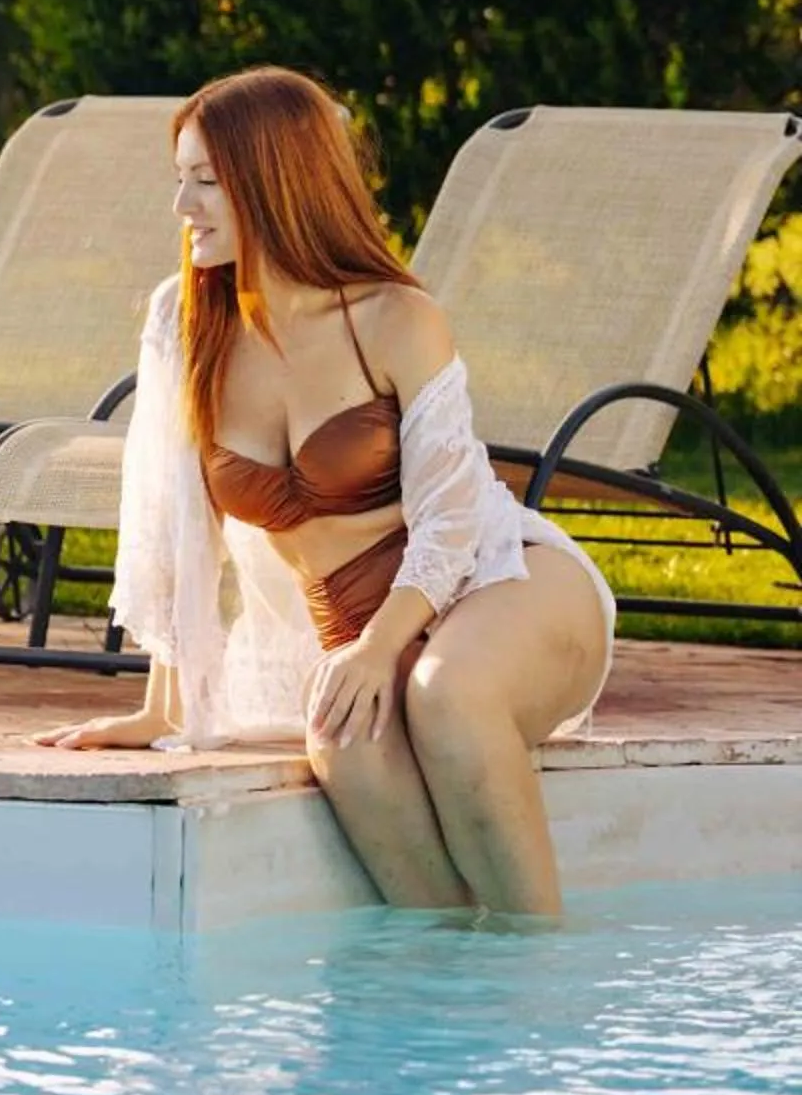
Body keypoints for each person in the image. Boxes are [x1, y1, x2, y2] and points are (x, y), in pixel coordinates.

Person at [38, 68, 615, 916]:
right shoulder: (185, 323)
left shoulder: (393, 318)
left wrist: (383, 648)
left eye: (206, 183)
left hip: (498, 583)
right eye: (180, 180)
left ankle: (538, 974)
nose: (182, 208)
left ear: (276, 182)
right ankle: (456, 1005)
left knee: (445, 695)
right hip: (354, 630)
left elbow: (452, 518)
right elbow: (176, 525)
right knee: (349, 754)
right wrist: (161, 704)